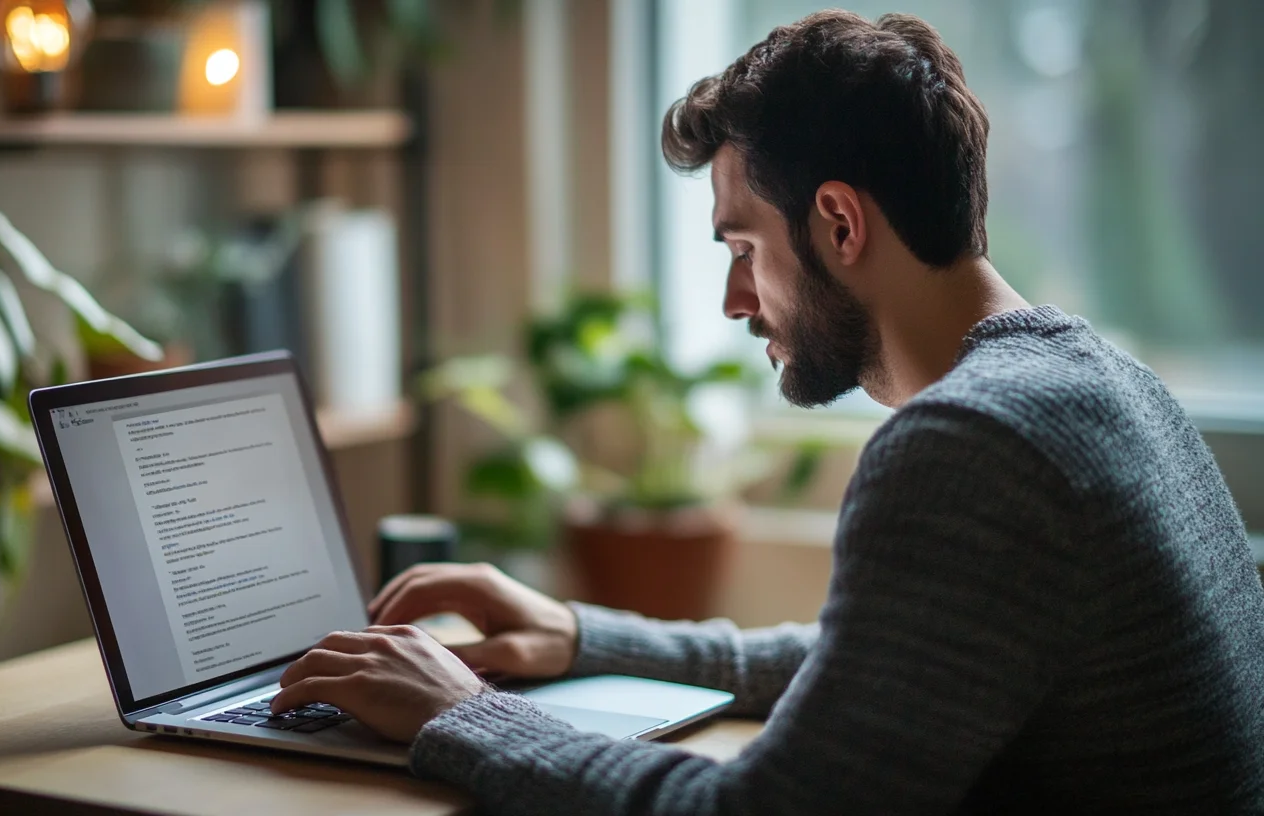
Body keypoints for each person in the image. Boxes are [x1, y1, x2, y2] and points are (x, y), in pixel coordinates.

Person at [270, 10, 1264, 814]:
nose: (733, 303)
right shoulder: (1099, 381)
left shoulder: (972, 443)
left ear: (836, 221)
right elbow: (880, 667)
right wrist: (584, 637)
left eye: (742, 249)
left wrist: (463, 716)